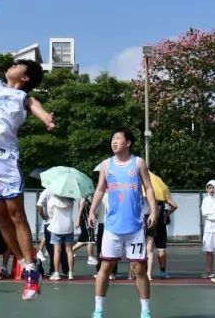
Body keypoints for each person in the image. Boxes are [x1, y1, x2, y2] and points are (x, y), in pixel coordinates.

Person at [0, 20, 56, 301]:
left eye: (18, 65)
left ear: (26, 77)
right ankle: (26, 264)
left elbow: (38, 108)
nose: (12, 64)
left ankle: (31, 269)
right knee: (0, 216)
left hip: (4, 158)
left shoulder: (23, 97)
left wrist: (46, 119)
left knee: (16, 214)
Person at [87, 128, 158, 318]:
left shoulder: (138, 163)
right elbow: (100, 189)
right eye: (112, 139)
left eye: (118, 138)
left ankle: (145, 311)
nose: (114, 141)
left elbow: (149, 188)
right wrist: (92, 210)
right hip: (112, 226)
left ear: (128, 143)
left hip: (135, 226)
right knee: (105, 267)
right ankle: (98, 310)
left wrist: (153, 210)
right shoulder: (106, 165)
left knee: (139, 268)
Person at [39, 189, 78, 280]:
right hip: (68, 227)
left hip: (56, 227)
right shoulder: (70, 200)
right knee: (69, 251)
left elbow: (50, 214)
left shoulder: (52, 200)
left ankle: (56, 273)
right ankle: (70, 273)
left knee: (57, 251)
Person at [150, 193, 178, 279]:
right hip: (160, 225)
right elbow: (174, 206)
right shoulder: (161, 195)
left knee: (147, 250)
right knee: (161, 249)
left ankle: (147, 272)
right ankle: (162, 271)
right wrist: (167, 214)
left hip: (149, 223)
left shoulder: (145, 194)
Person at [200, 180, 215, 278]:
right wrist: (214, 214)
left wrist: (212, 214)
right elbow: (204, 212)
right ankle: (209, 272)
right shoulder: (205, 200)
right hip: (208, 229)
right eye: (209, 188)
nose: (211, 190)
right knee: (208, 251)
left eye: (213, 187)